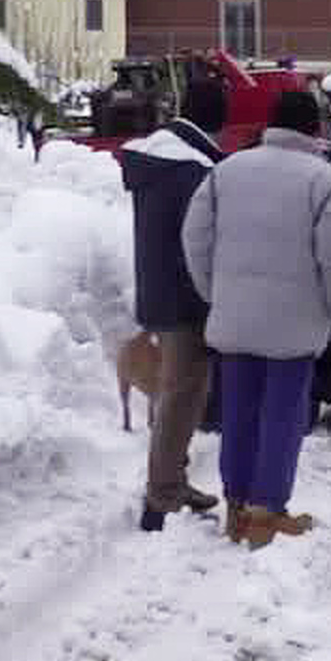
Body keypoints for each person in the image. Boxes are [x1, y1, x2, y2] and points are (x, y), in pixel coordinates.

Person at [184, 90, 331, 550]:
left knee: (238, 412)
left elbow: (195, 238)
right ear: (315, 130)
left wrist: (215, 292)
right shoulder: (325, 183)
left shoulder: (225, 173)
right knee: (283, 415)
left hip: (235, 317)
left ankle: (236, 506)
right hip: (294, 324)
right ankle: (266, 511)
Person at [120, 76, 228, 532]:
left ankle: (172, 481)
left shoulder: (158, 157)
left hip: (160, 289)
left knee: (183, 393)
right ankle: (160, 498)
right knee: (181, 395)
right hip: (188, 298)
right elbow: (202, 241)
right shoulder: (194, 171)